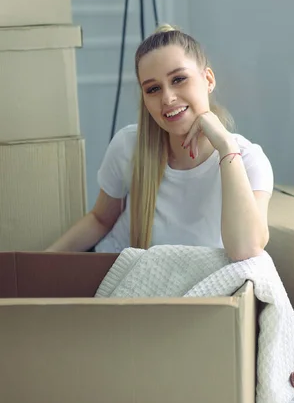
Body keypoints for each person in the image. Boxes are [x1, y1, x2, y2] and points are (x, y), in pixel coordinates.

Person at [46, 25, 274, 261]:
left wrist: (226, 147)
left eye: (179, 79)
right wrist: (40, 261)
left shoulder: (248, 160)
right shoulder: (128, 146)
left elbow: (246, 251)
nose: (167, 98)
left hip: (199, 292)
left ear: (208, 79)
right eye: (153, 89)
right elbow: (101, 219)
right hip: (121, 280)